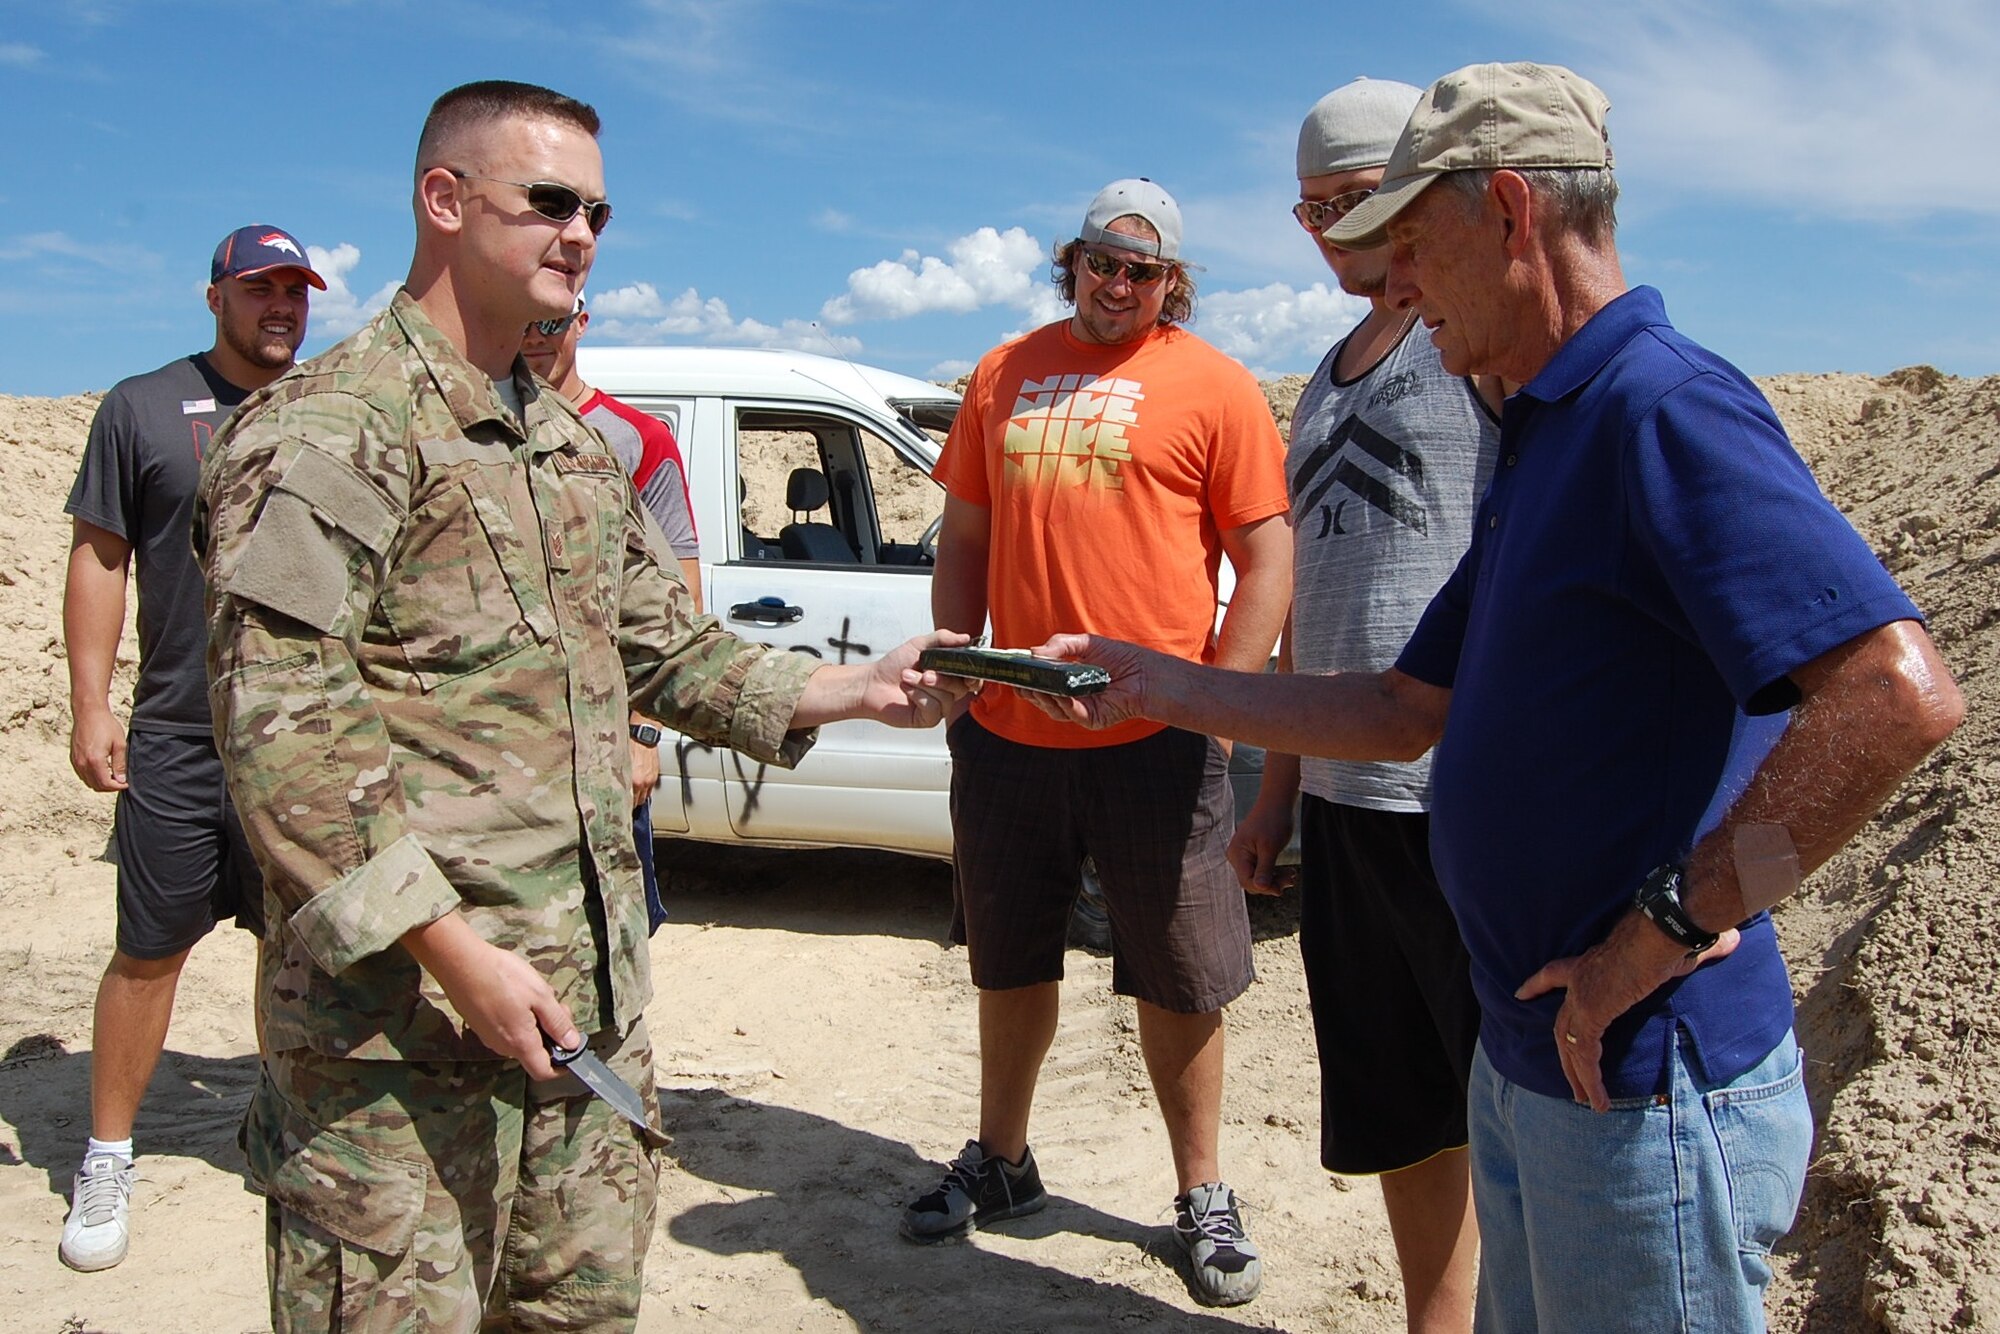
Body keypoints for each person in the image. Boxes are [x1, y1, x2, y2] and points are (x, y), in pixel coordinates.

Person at [1024, 63, 1964, 1332]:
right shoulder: (1544, 429)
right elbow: (1402, 706)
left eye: (1409, 241)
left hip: (1642, 1082)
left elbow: (1894, 696)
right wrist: (1157, 680)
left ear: (1510, 213)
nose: (1392, 282)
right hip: (1536, 1069)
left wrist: (1673, 922)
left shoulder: (1659, 406)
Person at [193, 80, 965, 1333]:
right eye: (547, 201)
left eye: (597, 209)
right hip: (396, 1047)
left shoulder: (560, 443)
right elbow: (285, 733)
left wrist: (860, 688)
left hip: (582, 1016)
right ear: (443, 201)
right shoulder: (330, 432)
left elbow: (668, 650)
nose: (582, 234)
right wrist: (455, 953)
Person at [903, 178, 1292, 1308]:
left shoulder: (1214, 388)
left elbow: (1264, 558)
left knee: (1179, 970)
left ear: (1173, 282)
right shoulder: (1002, 370)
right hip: (1010, 727)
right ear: (1069, 259)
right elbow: (965, 532)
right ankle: (1004, 1158)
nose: (1116, 284)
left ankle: (1201, 1191)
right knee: (1007, 950)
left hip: (1152, 736)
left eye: (1142, 270)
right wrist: (957, 662)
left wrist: (1218, 701)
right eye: (1098, 261)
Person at [1228, 78, 1497, 1333]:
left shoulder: (1473, 344)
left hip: (1462, 793)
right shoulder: (1324, 378)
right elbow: (1304, 611)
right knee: (1398, 1106)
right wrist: (1274, 788)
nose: (1339, 233)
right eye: (1314, 209)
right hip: (1344, 795)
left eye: (1359, 201)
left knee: (1504, 1106)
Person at [59, 224, 324, 1273]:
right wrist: (91, 702)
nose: (282, 308)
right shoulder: (140, 408)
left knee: (293, 945)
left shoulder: (328, 411)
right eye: (261, 289)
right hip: (176, 731)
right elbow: (100, 555)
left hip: (300, 736)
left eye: (296, 291)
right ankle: (107, 1150)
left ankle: (278, 1118)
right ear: (215, 296)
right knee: (150, 944)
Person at [522, 291, 700, 934]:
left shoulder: (635, 439)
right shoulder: (475, 424)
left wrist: (642, 734)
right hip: (511, 744)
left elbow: (677, 602)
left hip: (602, 737)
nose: (536, 336)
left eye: (552, 323)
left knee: (611, 933)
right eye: (524, 321)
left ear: (581, 322)